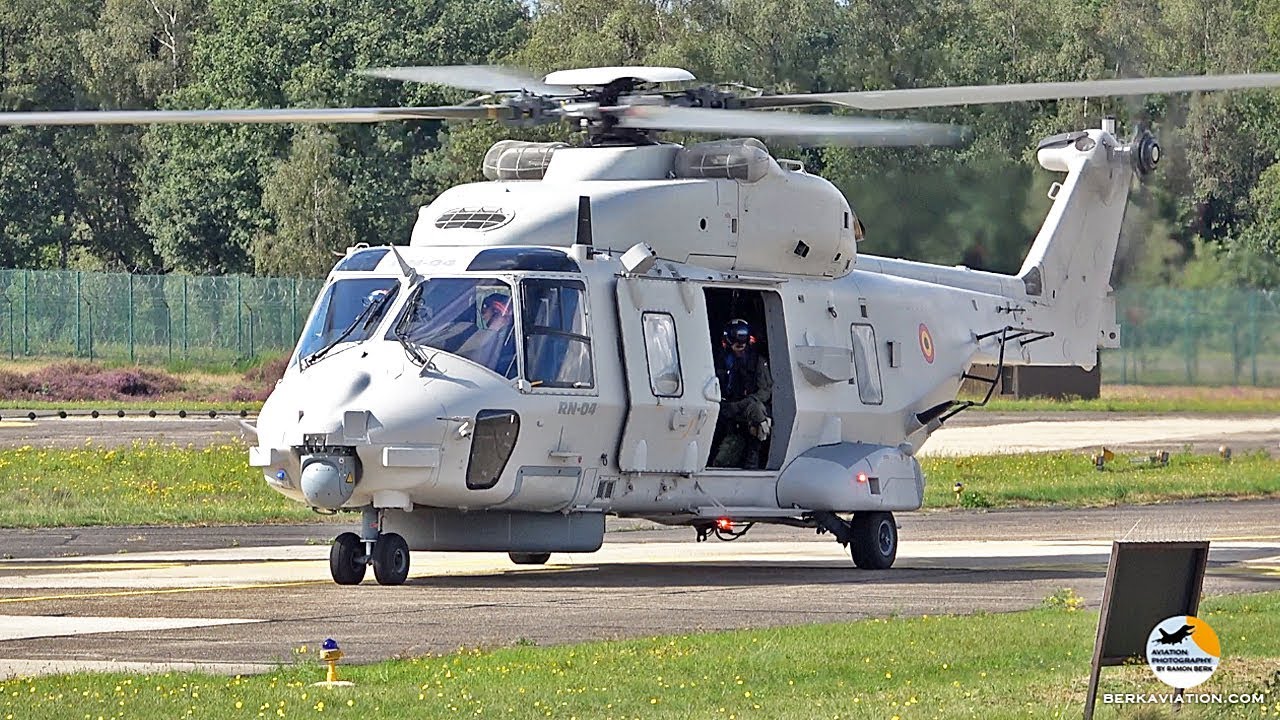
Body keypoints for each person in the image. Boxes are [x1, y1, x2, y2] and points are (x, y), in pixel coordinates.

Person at [712, 318, 772, 468]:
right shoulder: (719, 359)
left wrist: (742, 404)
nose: (740, 344)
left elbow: (765, 391)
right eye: (735, 338)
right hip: (723, 406)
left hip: (745, 407)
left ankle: (753, 456)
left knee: (758, 411)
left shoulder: (757, 361)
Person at [457, 292, 517, 377]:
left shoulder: (510, 337)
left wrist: (495, 326)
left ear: (497, 310)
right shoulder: (496, 335)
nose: (483, 316)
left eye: (485, 310)